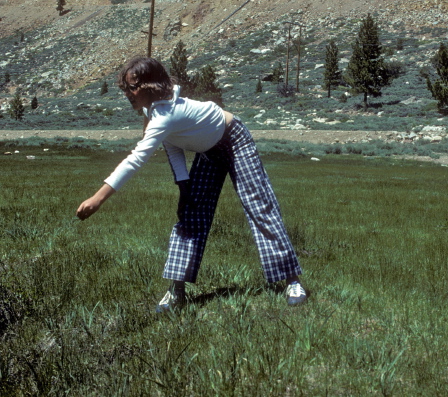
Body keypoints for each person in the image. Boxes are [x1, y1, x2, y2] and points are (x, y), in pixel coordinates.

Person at [76, 56, 307, 310]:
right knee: (191, 214)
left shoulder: (165, 115)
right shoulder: (153, 110)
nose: (128, 94)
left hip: (234, 139)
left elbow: (136, 160)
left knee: (259, 205)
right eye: (125, 88)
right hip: (208, 150)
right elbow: (172, 146)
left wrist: (98, 198)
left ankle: (291, 280)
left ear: (151, 86)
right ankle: (177, 290)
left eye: (133, 87)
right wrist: (183, 185)